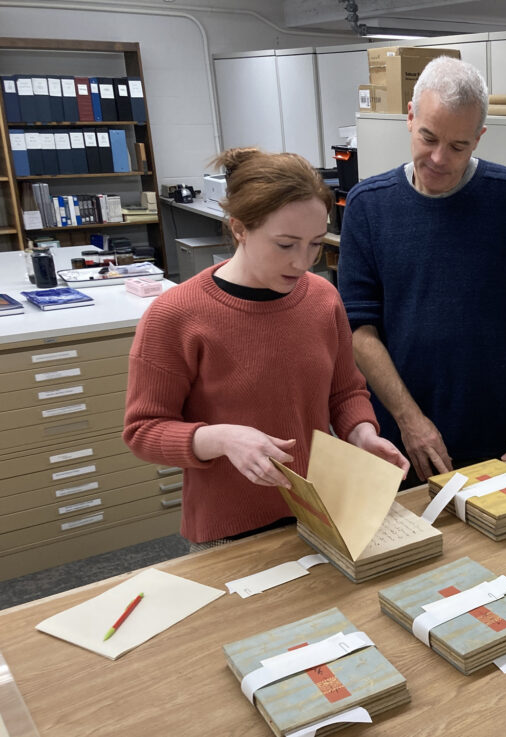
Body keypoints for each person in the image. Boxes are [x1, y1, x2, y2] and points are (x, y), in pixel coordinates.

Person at [123, 148, 408, 548]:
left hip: (317, 513)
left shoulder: (323, 300)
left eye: (314, 244)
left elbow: (345, 391)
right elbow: (143, 430)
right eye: (286, 245)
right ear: (240, 228)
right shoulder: (176, 315)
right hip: (227, 531)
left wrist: (361, 434)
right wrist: (221, 438)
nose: (303, 262)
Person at [339, 56, 506, 484]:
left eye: (458, 146)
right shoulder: (368, 206)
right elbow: (358, 330)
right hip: (400, 440)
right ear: (410, 117)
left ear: (479, 138)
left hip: (497, 432)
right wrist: (410, 420)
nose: (439, 158)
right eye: (428, 137)